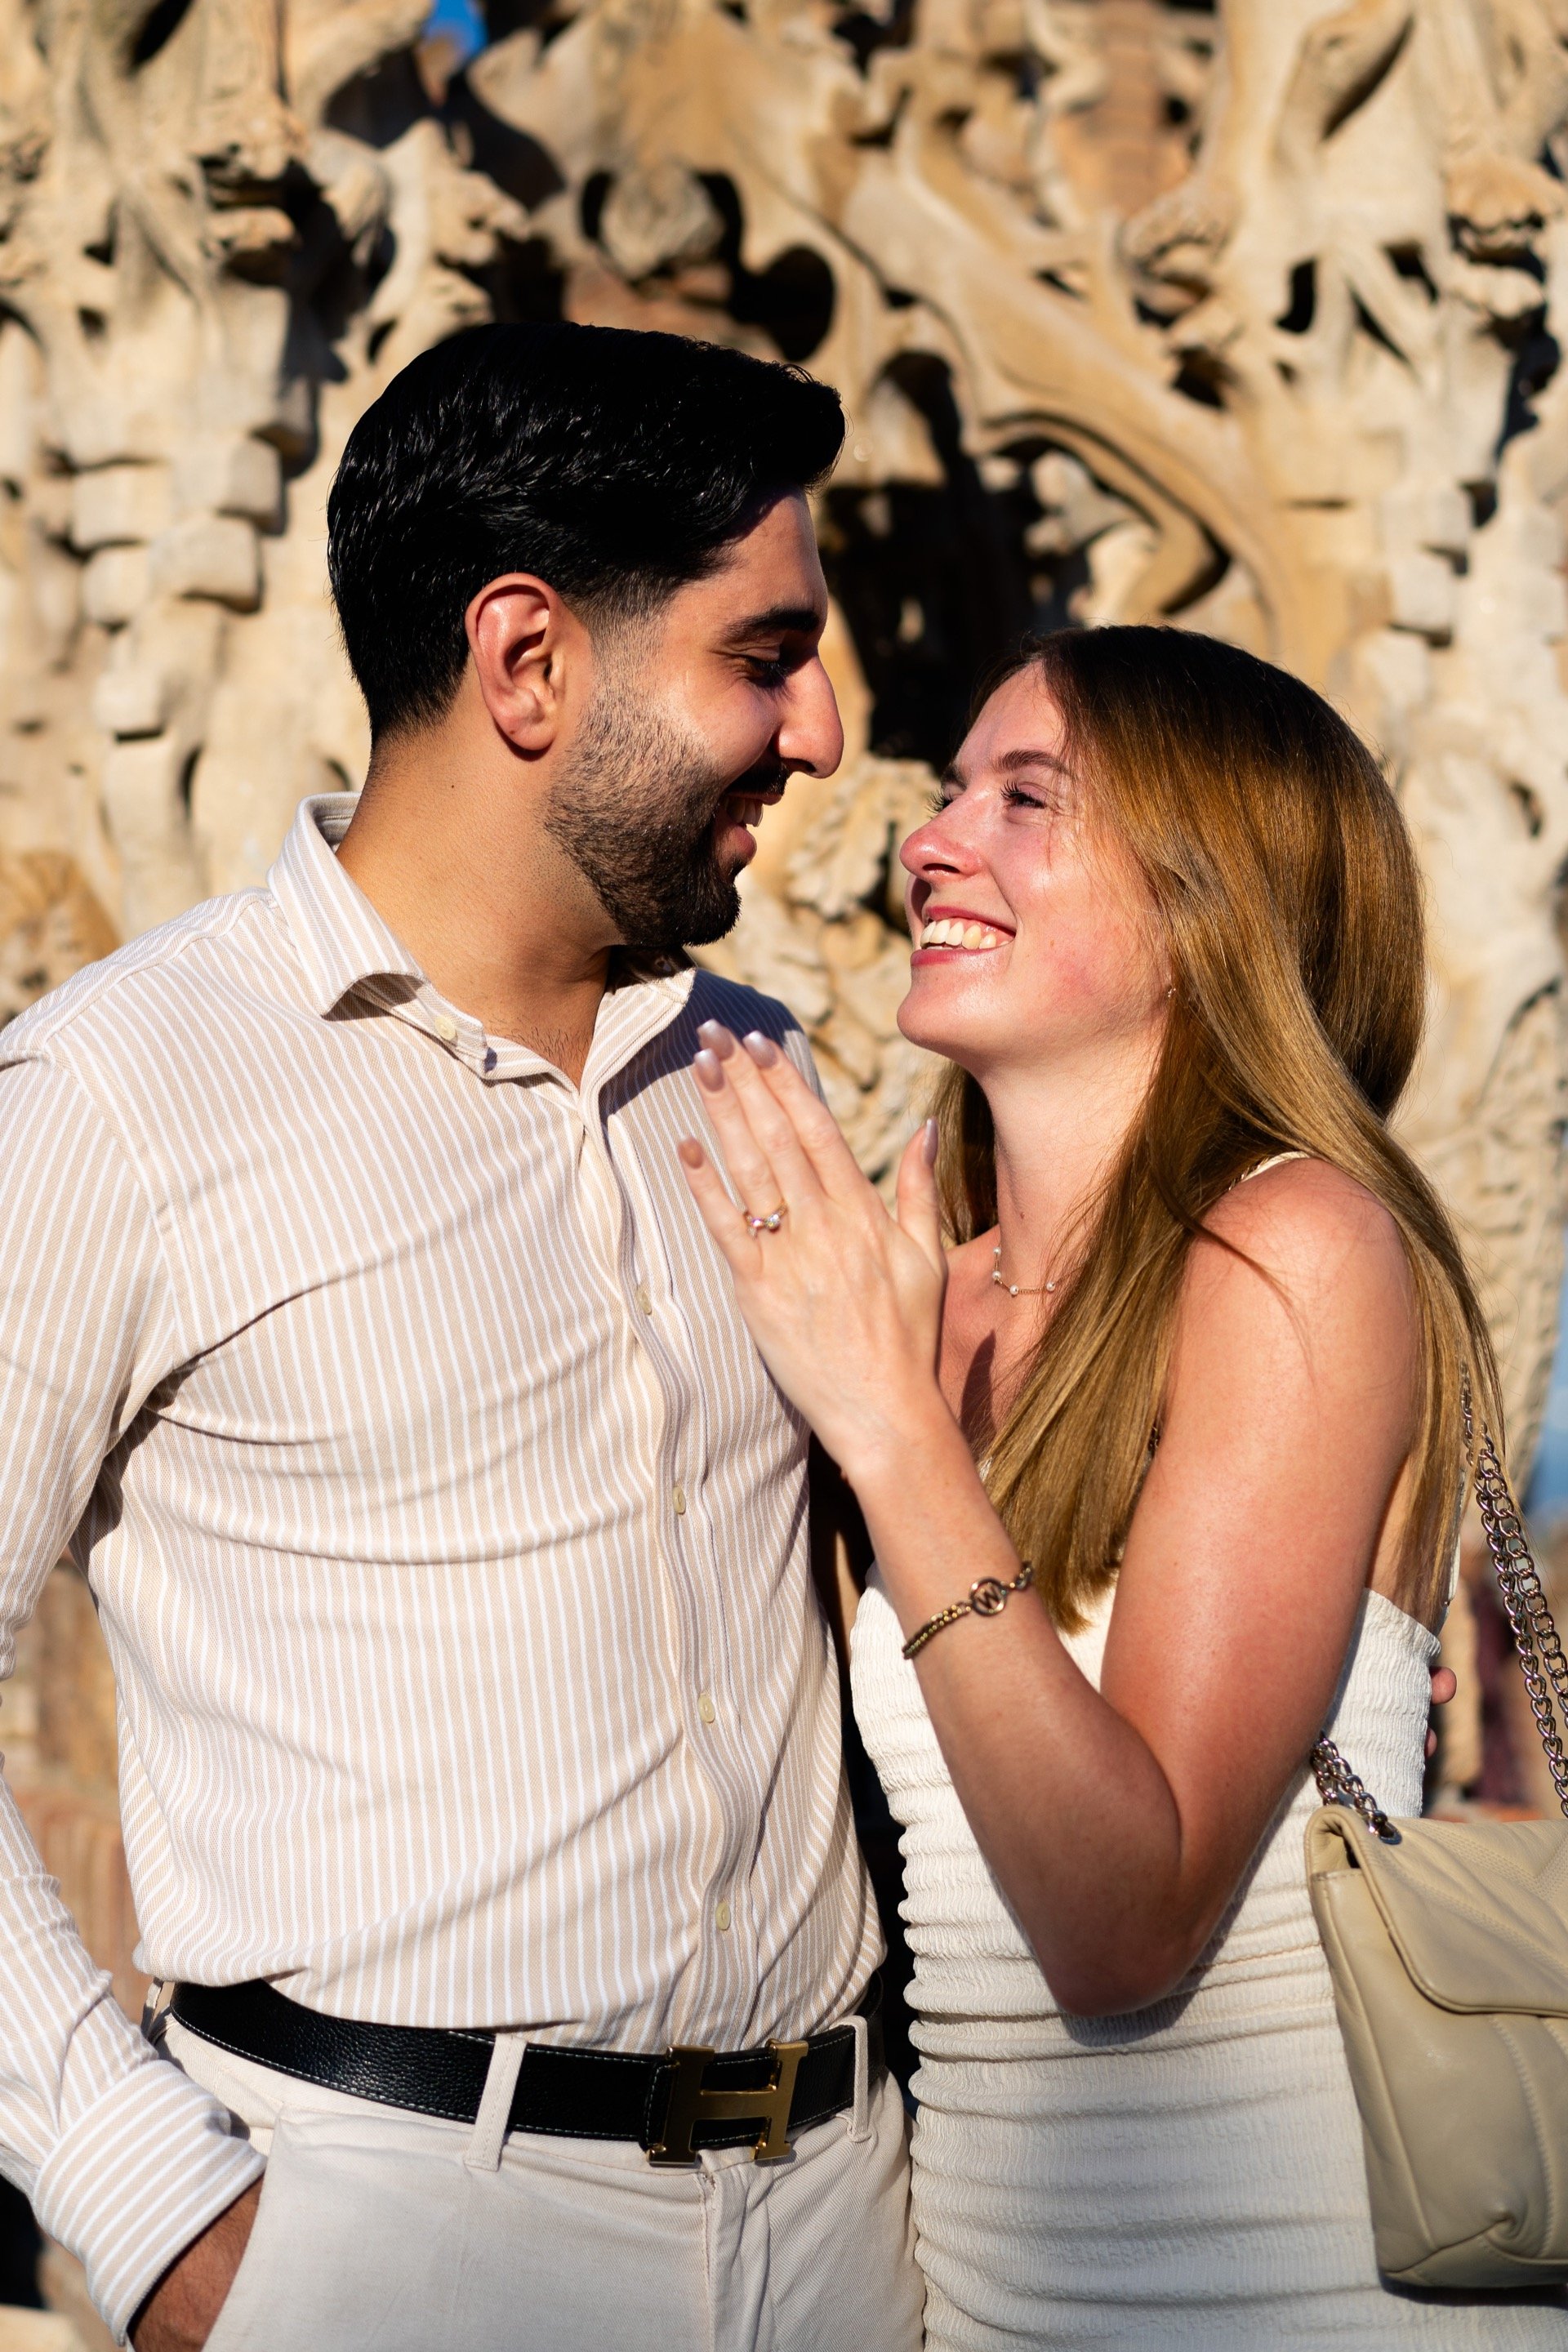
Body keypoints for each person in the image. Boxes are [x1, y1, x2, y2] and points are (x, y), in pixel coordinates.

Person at [0, 323, 924, 2352]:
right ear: (528, 663)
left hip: (853, 2241)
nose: (830, 729)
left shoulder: (757, 1064)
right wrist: (155, 2218)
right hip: (396, 2250)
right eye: (763, 657)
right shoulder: (114, 1099)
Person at [679, 625, 1567, 2347]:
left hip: (1297, 2299)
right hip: (995, 2303)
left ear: (1205, 901)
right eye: (950, 795)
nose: (932, 843)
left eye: (1030, 800)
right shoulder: (921, 1292)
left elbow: (1121, 1918)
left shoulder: (1296, 1243)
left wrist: (889, 1431)